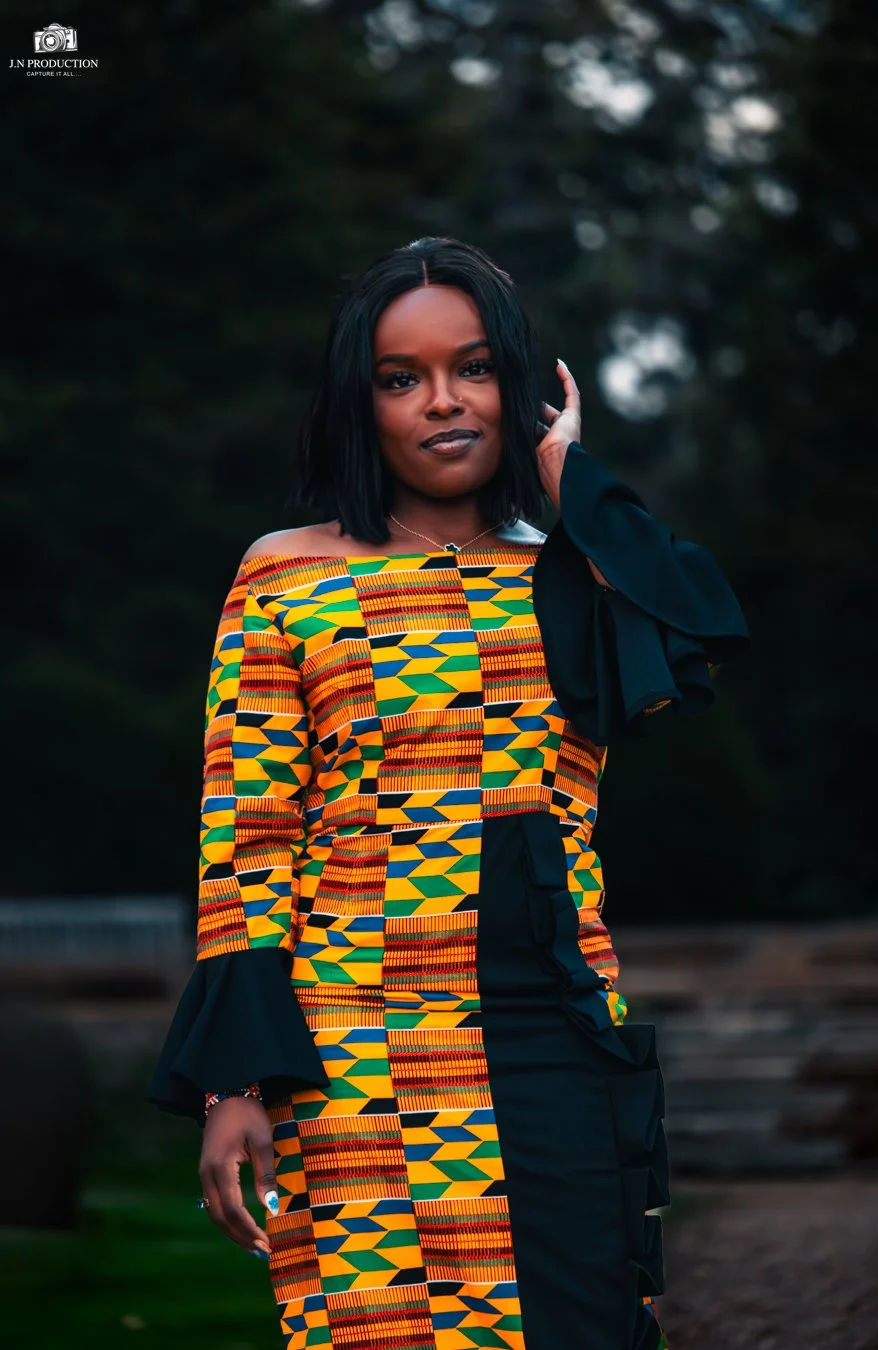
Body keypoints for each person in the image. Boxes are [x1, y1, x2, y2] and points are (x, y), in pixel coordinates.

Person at [148, 236, 749, 1350]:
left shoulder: (574, 570)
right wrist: (233, 1077)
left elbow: (704, 623)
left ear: (519, 385)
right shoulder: (286, 574)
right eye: (400, 378)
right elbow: (249, 831)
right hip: (352, 1036)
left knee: (590, 1322)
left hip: (557, 1023)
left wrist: (573, 481)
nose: (441, 403)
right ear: (358, 402)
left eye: (473, 369)